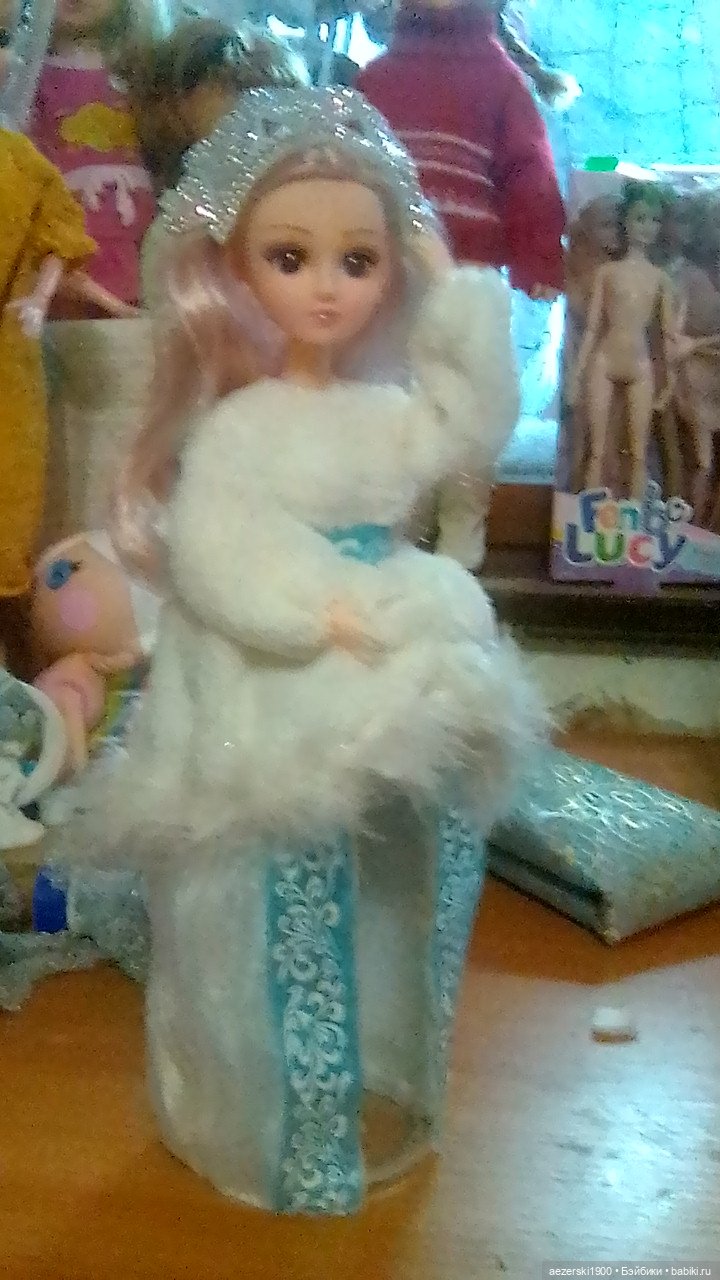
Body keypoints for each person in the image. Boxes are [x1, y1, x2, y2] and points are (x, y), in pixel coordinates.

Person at [44, 86, 547, 1213]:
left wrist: (451, 290)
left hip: (385, 615)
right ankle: (278, 1116)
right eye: (291, 256)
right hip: (279, 656)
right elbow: (217, 547)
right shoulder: (240, 423)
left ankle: (390, 1061)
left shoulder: (384, 409)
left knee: (416, 827)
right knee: (276, 870)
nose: (326, 286)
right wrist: (315, 610)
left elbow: (468, 427)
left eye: (358, 261)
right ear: (236, 271)